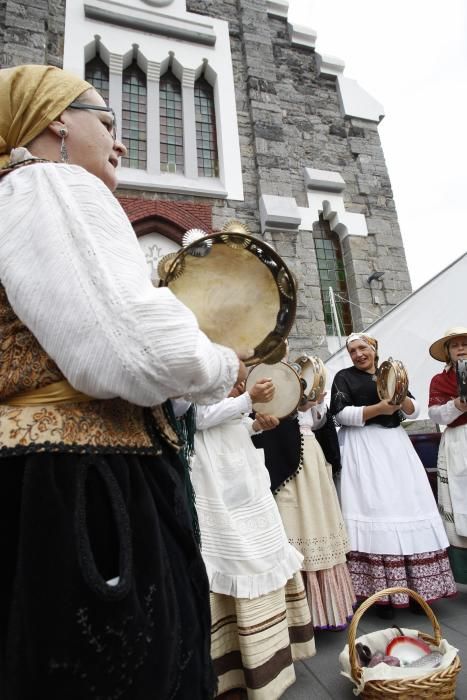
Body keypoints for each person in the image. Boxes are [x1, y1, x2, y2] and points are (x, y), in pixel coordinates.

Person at [0, 64, 246, 699]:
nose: (121, 141)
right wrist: (219, 366)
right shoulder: (50, 185)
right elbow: (133, 351)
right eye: (107, 122)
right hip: (83, 482)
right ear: (55, 123)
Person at [191, 378, 315, 699]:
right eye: (234, 380)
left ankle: (270, 661)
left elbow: (226, 423)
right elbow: (198, 417)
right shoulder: (195, 373)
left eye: (241, 381)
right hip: (212, 475)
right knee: (230, 560)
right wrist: (247, 400)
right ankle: (232, 668)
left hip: (242, 473)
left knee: (267, 554)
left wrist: (253, 425)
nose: (237, 385)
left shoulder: (232, 388)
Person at [330, 332, 456, 615]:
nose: (358, 354)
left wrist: (400, 399)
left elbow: (412, 411)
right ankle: (380, 595)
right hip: (363, 447)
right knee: (375, 508)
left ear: (374, 348)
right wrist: (380, 408)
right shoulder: (344, 377)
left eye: (362, 348)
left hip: (395, 447)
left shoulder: (391, 371)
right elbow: (340, 415)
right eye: (352, 351)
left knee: (407, 505)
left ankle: (415, 591)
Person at [428, 326, 467, 591]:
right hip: (458, 441)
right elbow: (436, 415)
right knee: (461, 504)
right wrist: (458, 404)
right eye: (455, 345)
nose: (461, 348)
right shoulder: (439, 380)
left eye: (465, 343)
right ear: (448, 352)